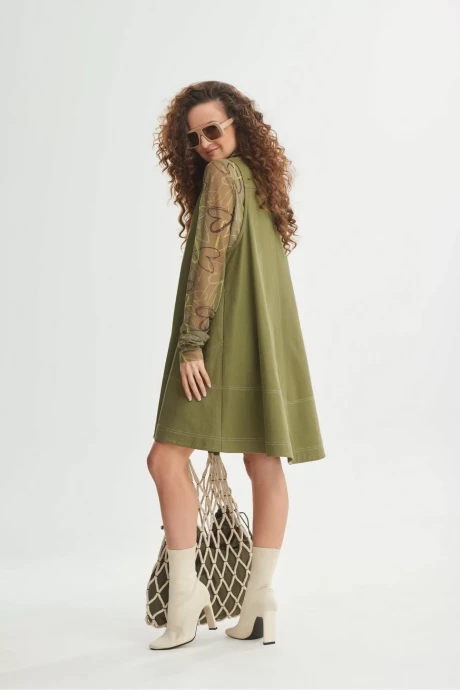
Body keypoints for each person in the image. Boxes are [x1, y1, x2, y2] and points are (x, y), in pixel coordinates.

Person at [147, 81, 326, 650]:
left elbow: (210, 263)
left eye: (212, 130)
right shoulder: (262, 180)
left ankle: (185, 599)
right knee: (263, 460)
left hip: (219, 340)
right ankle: (260, 600)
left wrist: (192, 344)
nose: (204, 144)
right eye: (193, 137)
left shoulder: (224, 176)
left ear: (237, 125)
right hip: (264, 339)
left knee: (165, 458)